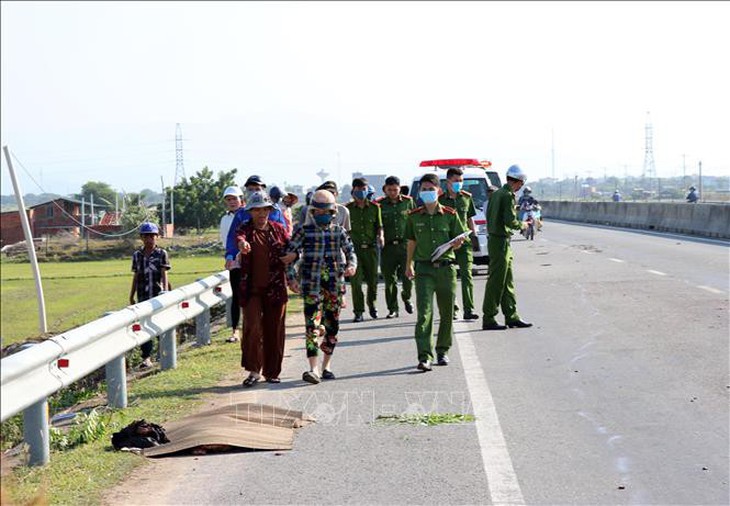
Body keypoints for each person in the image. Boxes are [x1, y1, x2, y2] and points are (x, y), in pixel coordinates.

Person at [282, 190, 357, 384]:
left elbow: (350, 251)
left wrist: (351, 266)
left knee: (332, 327)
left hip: (334, 285)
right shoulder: (303, 231)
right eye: (319, 210)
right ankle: (313, 369)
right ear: (312, 211)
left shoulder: (338, 231)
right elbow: (289, 255)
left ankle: (326, 366)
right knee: (311, 326)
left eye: (328, 211)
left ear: (334, 212)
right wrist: (292, 279)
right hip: (311, 285)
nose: (324, 214)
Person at [405, 173, 466, 372]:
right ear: (419, 192)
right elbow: (411, 242)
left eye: (431, 189)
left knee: (447, 313)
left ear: (439, 191)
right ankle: (424, 356)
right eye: (424, 189)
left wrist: (457, 243)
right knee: (424, 314)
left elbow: (458, 241)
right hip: (423, 269)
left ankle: (442, 350)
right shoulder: (414, 217)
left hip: (446, 269)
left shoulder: (450, 214)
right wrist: (409, 265)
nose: (428, 192)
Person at [234, 191, 290, 386]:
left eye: (264, 209)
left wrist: (294, 257)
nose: (261, 213)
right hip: (251, 289)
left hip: (276, 288)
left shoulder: (279, 229)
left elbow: (292, 248)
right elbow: (239, 238)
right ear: (251, 211)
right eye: (256, 210)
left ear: (269, 210)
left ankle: (272, 372)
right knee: (252, 327)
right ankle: (253, 371)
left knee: (274, 330)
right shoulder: (245, 229)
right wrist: (242, 245)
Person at [481, 165, 532, 331]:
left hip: (499, 241)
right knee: (496, 282)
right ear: (516, 182)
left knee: (507, 281)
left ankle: (511, 315)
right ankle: (489, 317)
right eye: (521, 184)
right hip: (500, 241)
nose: (520, 188)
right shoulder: (507, 195)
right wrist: (523, 224)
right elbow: (511, 221)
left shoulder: (497, 194)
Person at [438, 168, 479, 321]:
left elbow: (470, 219)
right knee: (449, 278)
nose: (459, 184)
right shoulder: (441, 200)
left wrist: (474, 237)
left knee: (467, 276)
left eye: (461, 181)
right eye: (456, 181)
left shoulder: (467, 198)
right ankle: (453, 309)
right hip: (447, 244)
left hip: (465, 242)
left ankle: (469, 309)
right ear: (448, 182)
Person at [129, 222, 171, 368]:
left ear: (157, 237)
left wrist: (165, 291)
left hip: (157, 294)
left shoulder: (161, 254)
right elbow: (136, 275)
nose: (149, 239)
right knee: (144, 326)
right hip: (142, 295)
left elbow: (164, 274)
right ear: (141, 238)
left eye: (152, 236)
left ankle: (163, 351)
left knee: (159, 322)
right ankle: (146, 357)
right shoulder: (137, 255)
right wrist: (131, 295)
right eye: (146, 236)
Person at [224, 175, 288, 267]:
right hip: (246, 261)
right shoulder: (241, 213)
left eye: (257, 189)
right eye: (250, 189)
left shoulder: (274, 211)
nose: (254, 192)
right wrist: (230, 256)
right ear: (246, 191)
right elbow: (233, 237)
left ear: (264, 191)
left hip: (271, 261)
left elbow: (283, 236)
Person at [376, 176, 415, 318]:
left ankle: (406, 297)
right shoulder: (379, 205)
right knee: (389, 280)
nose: (392, 192)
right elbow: (377, 224)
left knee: (408, 277)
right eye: (389, 190)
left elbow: (415, 220)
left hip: (405, 246)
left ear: (399, 189)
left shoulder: (408, 202)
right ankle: (392, 308)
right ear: (385, 189)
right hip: (388, 248)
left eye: (395, 190)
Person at [346, 177, 384, 322]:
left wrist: (381, 236)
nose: (361, 192)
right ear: (353, 191)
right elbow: (345, 230)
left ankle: (372, 304)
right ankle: (358, 311)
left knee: (373, 281)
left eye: (363, 189)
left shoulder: (375, 208)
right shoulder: (348, 209)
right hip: (354, 251)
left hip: (371, 250)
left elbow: (379, 226)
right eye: (358, 189)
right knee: (356, 283)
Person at [219, 185, 244, 343]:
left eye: (234, 198)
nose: (232, 202)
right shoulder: (225, 219)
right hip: (234, 261)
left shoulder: (248, 215)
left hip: (250, 260)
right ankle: (235, 330)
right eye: (228, 199)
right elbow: (225, 240)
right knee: (236, 296)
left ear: (241, 199)